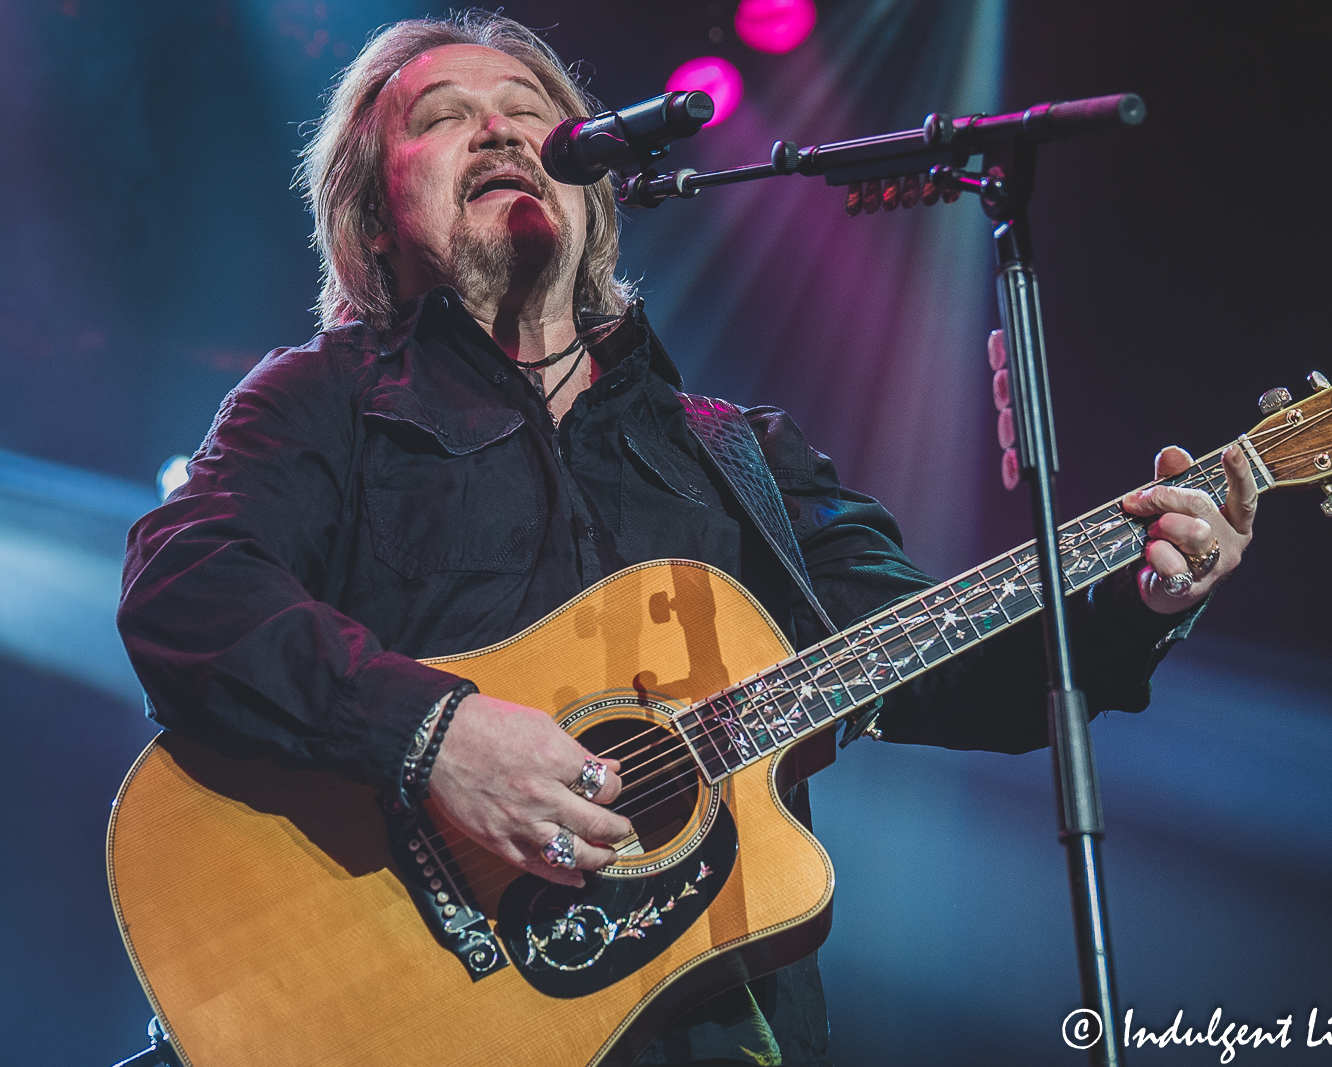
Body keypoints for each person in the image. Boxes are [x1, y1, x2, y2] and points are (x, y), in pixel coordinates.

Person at [116, 11, 1256, 1066]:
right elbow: (186, 589)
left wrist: (1141, 600)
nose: (502, 129)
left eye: (527, 109)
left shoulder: (742, 454)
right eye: (444, 117)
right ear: (373, 212)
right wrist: (435, 737)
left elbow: (946, 669)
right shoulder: (320, 401)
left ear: (595, 192)